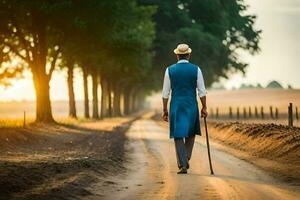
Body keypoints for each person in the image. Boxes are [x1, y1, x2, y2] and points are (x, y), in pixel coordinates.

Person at [162, 43, 207, 174]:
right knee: (191, 133)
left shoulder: (169, 70)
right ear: (189, 55)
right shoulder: (196, 69)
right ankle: (185, 158)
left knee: (178, 134)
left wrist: (165, 110)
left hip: (176, 106)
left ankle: (183, 163)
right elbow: (202, 92)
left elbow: (165, 93)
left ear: (177, 55)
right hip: (191, 105)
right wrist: (204, 107)